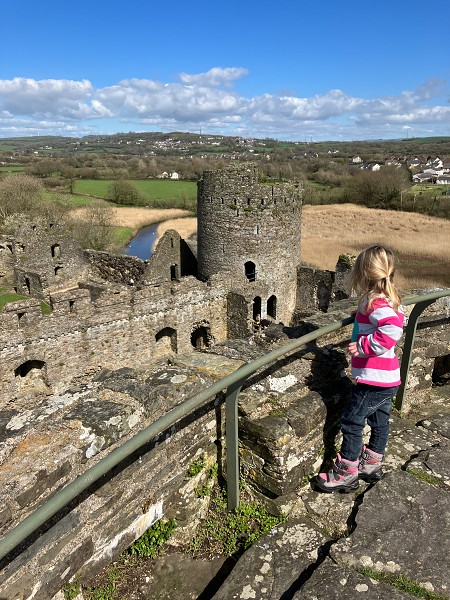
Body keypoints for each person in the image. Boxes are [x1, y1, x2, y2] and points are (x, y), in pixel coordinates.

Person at [316, 245, 405, 493]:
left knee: (351, 421)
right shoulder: (387, 298)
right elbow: (393, 319)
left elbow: (392, 330)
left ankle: (347, 472)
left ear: (364, 273)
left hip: (373, 379)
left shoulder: (376, 303)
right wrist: (360, 316)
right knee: (379, 420)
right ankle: (372, 463)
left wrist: (364, 346)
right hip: (387, 378)